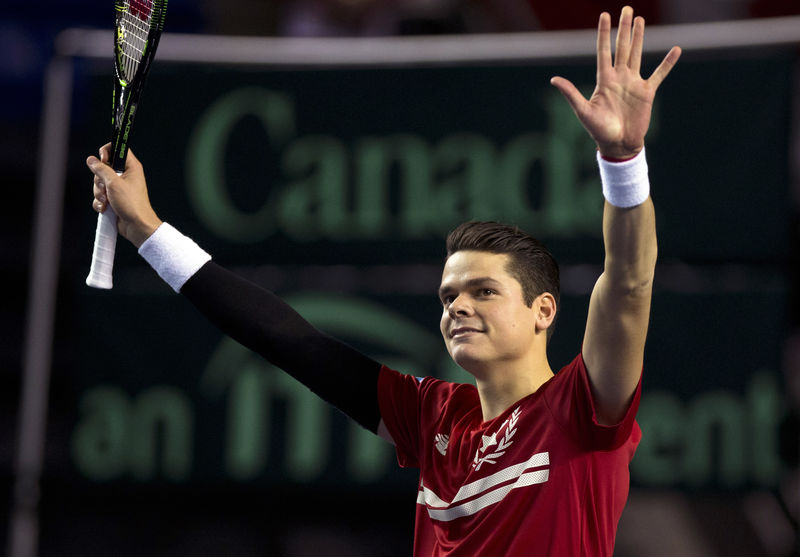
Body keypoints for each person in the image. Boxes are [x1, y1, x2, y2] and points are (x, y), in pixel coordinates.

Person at [86, 7, 680, 556]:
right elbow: (289, 341)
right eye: (449, 296)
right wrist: (147, 230)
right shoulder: (434, 417)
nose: (458, 308)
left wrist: (623, 159)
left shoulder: (581, 406)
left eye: (484, 291)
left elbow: (628, 284)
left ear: (543, 310)